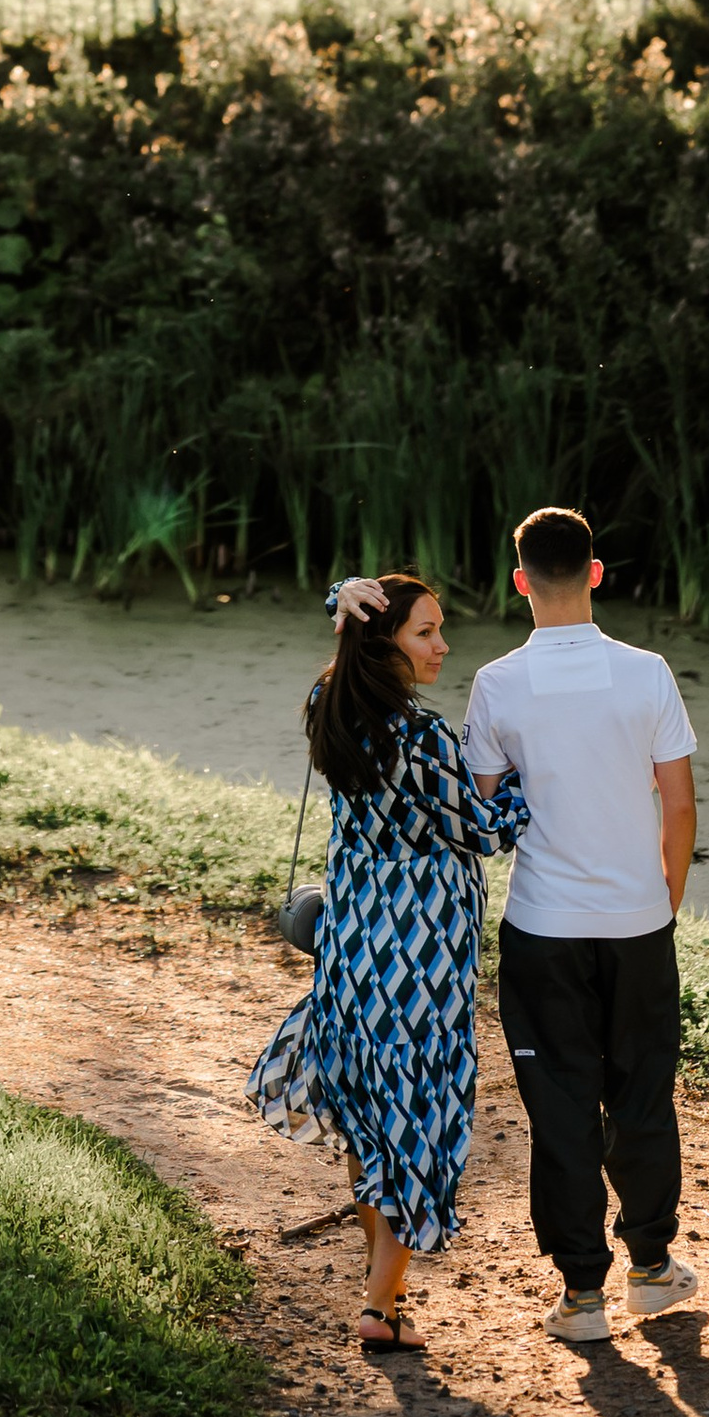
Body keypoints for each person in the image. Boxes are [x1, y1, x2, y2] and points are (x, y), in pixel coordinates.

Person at [247, 570, 529, 1353]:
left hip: (354, 946)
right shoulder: (426, 738)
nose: (442, 646)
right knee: (419, 1116)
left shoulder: (327, 710)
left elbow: (339, 649)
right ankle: (380, 1304)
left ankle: (387, 1291)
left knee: (372, 1112)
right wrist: (535, 775)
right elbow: (483, 830)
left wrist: (343, 598)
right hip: (422, 959)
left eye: (440, 631)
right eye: (424, 633)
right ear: (386, 641)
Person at [459, 505, 699, 1344]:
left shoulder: (496, 684)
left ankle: (582, 1298)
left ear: (519, 581)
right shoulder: (648, 672)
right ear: (596, 573)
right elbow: (679, 803)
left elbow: (480, 813)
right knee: (642, 1089)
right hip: (638, 925)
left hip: (543, 929)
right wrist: (661, 900)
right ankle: (653, 1268)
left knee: (560, 1104)